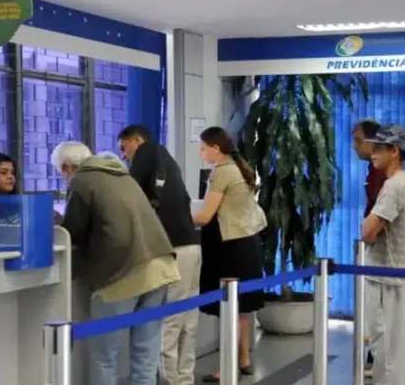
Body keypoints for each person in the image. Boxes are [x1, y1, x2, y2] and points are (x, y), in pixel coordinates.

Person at [52, 141, 180, 385]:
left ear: (68, 167)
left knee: (105, 357)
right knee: (146, 354)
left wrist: (59, 224)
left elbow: (74, 234)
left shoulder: (81, 180)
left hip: (122, 272)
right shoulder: (122, 175)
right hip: (160, 266)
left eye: (61, 172)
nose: (63, 178)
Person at [117, 124, 201, 385]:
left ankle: (171, 381)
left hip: (172, 249)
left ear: (137, 141)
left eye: (124, 148)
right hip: (191, 247)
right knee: (188, 319)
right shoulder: (167, 160)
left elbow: (131, 193)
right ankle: (184, 379)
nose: (125, 156)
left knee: (170, 321)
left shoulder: (147, 151)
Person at [193, 127, 267, 383]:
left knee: (229, 309)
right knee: (242, 309)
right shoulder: (239, 166)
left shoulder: (222, 172)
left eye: (203, 148)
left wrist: (174, 219)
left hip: (229, 247)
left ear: (216, 148)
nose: (200, 152)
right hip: (247, 243)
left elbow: (205, 216)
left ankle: (225, 367)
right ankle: (243, 359)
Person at [360, 124, 405, 385]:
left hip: (388, 280)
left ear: (394, 151)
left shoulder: (395, 186)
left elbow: (368, 231)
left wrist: (367, 222)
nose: (373, 152)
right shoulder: (399, 183)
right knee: (389, 352)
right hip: (392, 277)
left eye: (379, 148)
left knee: (388, 354)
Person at [351, 118, 386, 375]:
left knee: (380, 307)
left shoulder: (381, 173)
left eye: (356, 139)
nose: (353, 146)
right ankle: (375, 357)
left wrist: (371, 235)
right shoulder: (373, 171)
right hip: (374, 244)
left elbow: (380, 210)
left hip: (382, 248)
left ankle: (378, 359)